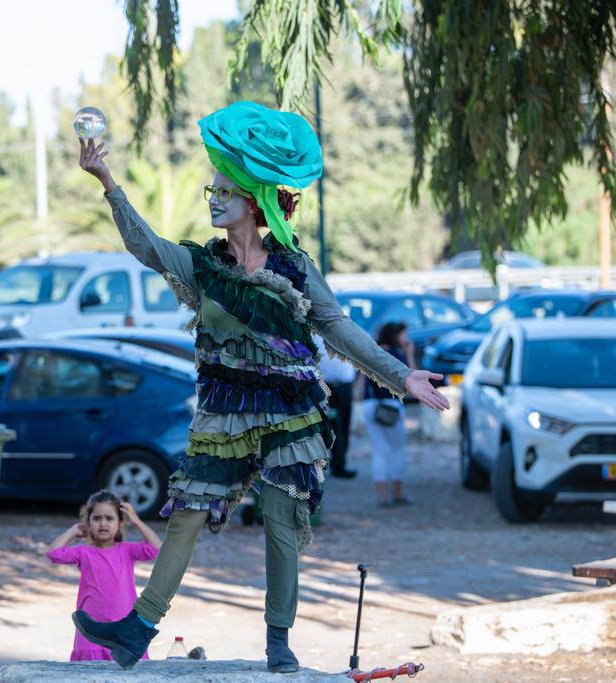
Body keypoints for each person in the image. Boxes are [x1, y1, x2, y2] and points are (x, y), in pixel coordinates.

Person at [72, 101, 449, 672]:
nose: (215, 198)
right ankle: (137, 627)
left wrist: (401, 374)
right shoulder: (204, 267)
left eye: (225, 190)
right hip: (225, 410)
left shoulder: (294, 267)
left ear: (255, 201)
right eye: (212, 190)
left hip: (288, 410)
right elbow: (145, 246)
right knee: (188, 511)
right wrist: (107, 181)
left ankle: (279, 641)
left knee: (281, 521)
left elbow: (338, 328)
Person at [47, 491, 161, 662]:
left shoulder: (127, 550)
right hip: (90, 633)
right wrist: (73, 531)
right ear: (88, 522)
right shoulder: (83, 552)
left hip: (123, 631)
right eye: (97, 518)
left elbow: (157, 549)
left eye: (109, 518)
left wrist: (136, 520)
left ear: (120, 523)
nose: (103, 523)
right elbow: (54, 553)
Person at [362, 322, 415, 508]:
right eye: (403, 334)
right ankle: (397, 493)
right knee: (396, 450)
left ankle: (382, 495)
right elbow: (411, 380)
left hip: (370, 405)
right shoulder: (396, 355)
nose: (406, 339)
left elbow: (362, 381)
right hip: (390, 406)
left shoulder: (371, 352)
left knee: (379, 451)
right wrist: (409, 354)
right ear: (395, 336)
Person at [313, 334, 358, 478]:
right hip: (324, 387)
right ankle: (321, 465)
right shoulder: (313, 335)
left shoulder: (343, 333)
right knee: (329, 426)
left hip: (345, 387)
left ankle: (339, 464)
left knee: (344, 426)